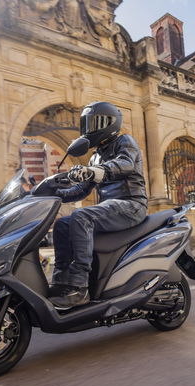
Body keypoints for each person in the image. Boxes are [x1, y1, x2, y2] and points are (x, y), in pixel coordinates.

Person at [48, 101, 148, 309]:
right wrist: (53, 194)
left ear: (108, 123)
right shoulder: (95, 157)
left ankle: (80, 288)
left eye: (93, 123)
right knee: (62, 224)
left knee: (82, 216)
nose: (89, 129)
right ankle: (61, 281)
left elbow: (126, 163)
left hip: (131, 205)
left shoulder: (125, 142)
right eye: (86, 124)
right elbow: (81, 191)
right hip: (111, 208)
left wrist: (96, 170)